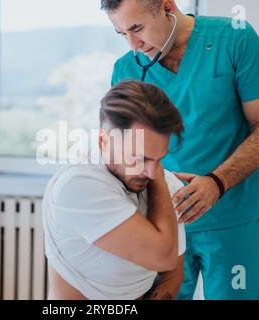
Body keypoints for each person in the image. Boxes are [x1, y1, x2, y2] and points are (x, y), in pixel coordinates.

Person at [102, 0, 259, 299]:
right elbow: (123, 156)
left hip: (231, 219)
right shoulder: (124, 71)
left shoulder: (236, 40)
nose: (133, 45)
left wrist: (216, 183)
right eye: (122, 33)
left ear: (167, 7)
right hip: (161, 226)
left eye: (137, 28)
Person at [42, 80, 186, 300]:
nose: (150, 171)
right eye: (138, 158)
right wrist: (160, 177)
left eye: (158, 159)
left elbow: (172, 275)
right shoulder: (78, 184)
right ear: (103, 141)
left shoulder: (162, 182)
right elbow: (163, 256)